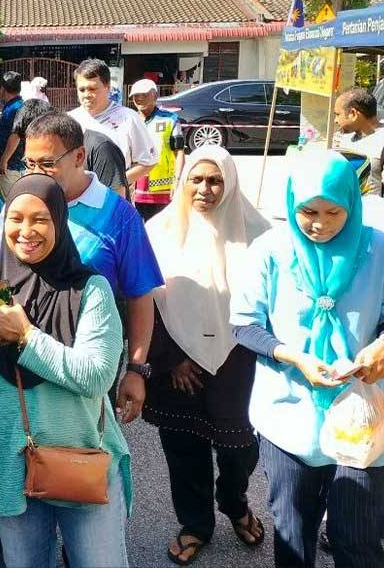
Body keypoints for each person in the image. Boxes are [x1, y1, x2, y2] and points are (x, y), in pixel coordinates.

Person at [0, 174, 133, 566]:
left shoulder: (90, 290)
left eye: (40, 220)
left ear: (60, 223)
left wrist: (27, 337)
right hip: (13, 467)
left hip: (83, 460)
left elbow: (96, 376)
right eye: (15, 219)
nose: (26, 231)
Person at [230, 150, 384, 568]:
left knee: (358, 536)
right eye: (307, 211)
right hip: (289, 412)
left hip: (360, 417)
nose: (319, 224)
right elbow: (243, 325)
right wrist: (294, 357)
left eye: (334, 212)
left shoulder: (378, 249)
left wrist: (378, 349)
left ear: (352, 203)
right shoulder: (271, 250)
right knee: (293, 532)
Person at [0, 112, 163, 423]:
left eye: (47, 163)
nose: (37, 173)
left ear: (79, 156)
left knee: (78, 462)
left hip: (85, 370)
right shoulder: (20, 203)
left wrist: (136, 370)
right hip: (17, 366)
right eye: (29, 164)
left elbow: (139, 296)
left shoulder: (119, 216)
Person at [142, 147, 270, 565]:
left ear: (230, 183)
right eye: (196, 180)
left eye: (215, 180)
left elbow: (278, 304)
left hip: (239, 359)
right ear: (183, 182)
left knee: (240, 449)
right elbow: (143, 300)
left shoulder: (260, 234)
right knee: (183, 446)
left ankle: (234, 502)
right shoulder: (159, 232)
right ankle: (196, 523)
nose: (205, 189)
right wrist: (168, 359)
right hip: (176, 362)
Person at [67, 59, 158, 186]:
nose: (86, 95)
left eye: (92, 89)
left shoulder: (129, 118)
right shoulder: (70, 120)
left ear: (107, 87)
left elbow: (148, 162)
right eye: (82, 90)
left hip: (115, 199)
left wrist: (115, 183)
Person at [129, 78, 186, 219]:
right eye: (136, 96)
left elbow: (179, 152)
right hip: (134, 186)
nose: (139, 99)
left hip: (162, 189)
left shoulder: (170, 120)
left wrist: (178, 181)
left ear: (155, 95)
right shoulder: (128, 120)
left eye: (144, 94)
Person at [334, 87, 384, 196]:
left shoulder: (381, 140)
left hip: (371, 210)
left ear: (353, 113)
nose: (336, 120)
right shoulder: (346, 136)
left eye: (338, 114)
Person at [0, 71, 26, 198]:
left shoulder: (15, 108)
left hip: (10, 168)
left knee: (11, 205)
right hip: (11, 166)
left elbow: (16, 135)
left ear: (2, 88)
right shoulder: (16, 106)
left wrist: (3, 161)